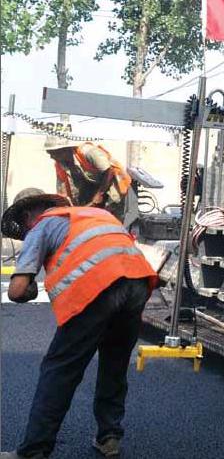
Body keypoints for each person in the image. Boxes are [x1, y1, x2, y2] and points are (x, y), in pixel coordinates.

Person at [0, 188, 157, 459]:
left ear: (27, 216)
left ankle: (33, 451)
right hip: (138, 281)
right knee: (115, 365)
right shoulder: (94, 215)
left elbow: (16, 290)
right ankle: (109, 437)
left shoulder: (41, 226)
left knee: (60, 370)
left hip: (98, 286)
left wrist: (30, 291)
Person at [45, 139, 132, 220]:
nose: (51, 157)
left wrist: (99, 193)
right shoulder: (60, 164)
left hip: (114, 181)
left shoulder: (88, 152)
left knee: (111, 213)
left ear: (65, 150)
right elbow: (63, 189)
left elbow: (109, 171)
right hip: (94, 183)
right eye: (49, 153)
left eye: (53, 153)